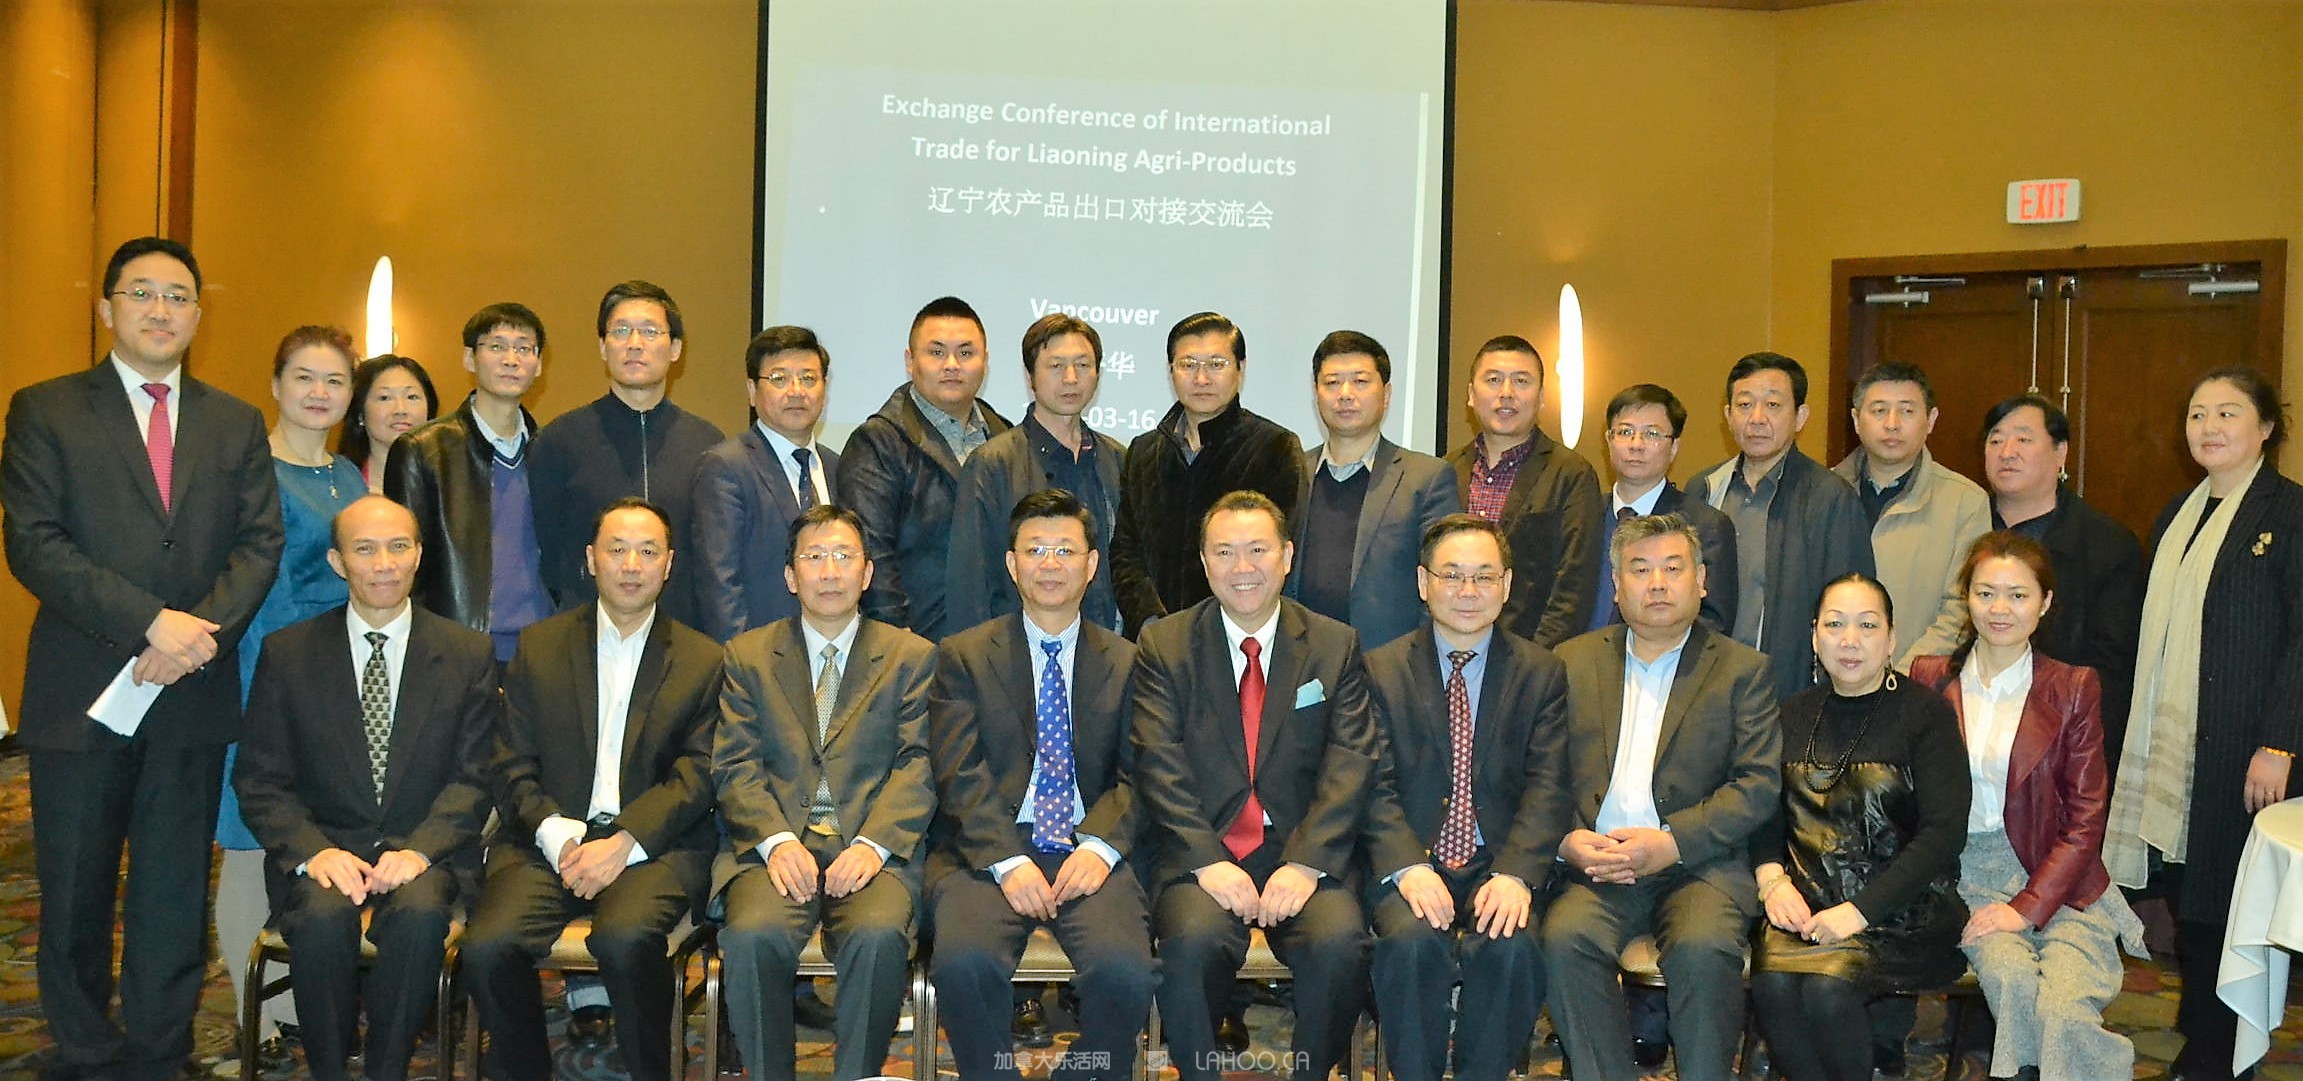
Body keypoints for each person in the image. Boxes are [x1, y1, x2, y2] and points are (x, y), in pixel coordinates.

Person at [1, 236, 284, 1081]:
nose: (161, 310)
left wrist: (195, 636)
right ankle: (85, 1048)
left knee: (172, 886)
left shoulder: (234, 421)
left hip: (192, 688)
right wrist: (150, 623)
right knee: (74, 886)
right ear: (107, 308)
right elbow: (34, 542)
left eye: (178, 296)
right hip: (82, 688)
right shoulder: (46, 409)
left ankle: (162, 1050)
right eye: (142, 293)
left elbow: (258, 544)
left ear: (198, 314)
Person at [233, 495, 499, 1081]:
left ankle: (387, 1068)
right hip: (325, 853)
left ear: (419, 556)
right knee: (322, 921)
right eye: (365, 549)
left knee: (420, 917)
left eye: (399, 547)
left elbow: (474, 777)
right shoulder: (289, 653)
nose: (384, 564)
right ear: (337, 561)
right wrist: (315, 853)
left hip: (425, 854)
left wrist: (421, 850)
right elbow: (260, 779)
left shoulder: (467, 653)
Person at [462, 498, 724, 1081]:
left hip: (653, 846)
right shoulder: (540, 645)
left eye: (648, 551)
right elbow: (510, 761)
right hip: (548, 842)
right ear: (590, 559)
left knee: (626, 939)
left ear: (668, 564)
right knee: (488, 947)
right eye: (616, 549)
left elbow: (698, 772)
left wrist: (624, 841)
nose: (631, 565)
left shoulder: (703, 658)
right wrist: (557, 837)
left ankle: (651, 1071)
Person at [1130, 490, 1377, 1081]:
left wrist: (1307, 861)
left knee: (1340, 945)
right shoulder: (1164, 645)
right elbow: (1157, 763)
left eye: (1258, 550)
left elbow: (1351, 761)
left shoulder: (1334, 643)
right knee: (1191, 944)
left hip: (1301, 850)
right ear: (1204, 562)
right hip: (1203, 851)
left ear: (1287, 556)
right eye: (1224, 552)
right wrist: (1207, 861)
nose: (1242, 567)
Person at [2104, 367, 2303, 1081]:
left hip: (2251, 749)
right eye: (2197, 414)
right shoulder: (2176, 513)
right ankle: (2200, 1038)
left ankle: (2222, 1056)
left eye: (2227, 412)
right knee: (2192, 898)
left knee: (2228, 904)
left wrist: (2279, 742)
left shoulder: (2289, 512)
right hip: (2181, 745)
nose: (2208, 427)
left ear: (2265, 427)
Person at [927, 489, 1157, 1081]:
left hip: (1090, 846)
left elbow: (1142, 772)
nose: (1049, 564)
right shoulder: (963, 656)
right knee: (963, 964)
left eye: (1065, 550)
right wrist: (1007, 860)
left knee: (1126, 972)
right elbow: (958, 771)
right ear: (1012, 564)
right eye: (1035, 550)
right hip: (990, 849)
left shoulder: (1130, 661)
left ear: (1092, 564)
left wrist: (1100, 848)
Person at [1540, 513, 1778, 1081]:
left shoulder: (1743, 670)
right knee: (1565, 939)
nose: (1657, 584)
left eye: (1673, 568)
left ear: (1702, 581)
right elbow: (1539, 773)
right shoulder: (1570, 662)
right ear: (1616, 586)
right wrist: (1567, 840)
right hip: (1598, 865)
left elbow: (1757, 784)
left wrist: (1673, 844)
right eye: (1640, 570)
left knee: (1702, 948)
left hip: (1699, 867)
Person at [1910, 532, 2146, 1080]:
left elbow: (2086, 819)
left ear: (2044, 603)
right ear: (1966, 598)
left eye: (2018, 595)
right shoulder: (1930, 678)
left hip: (2057, 876)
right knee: (2012, 979)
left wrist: (2026, 907)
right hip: (1965, 876)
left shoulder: (2072, 686)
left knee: (2064, 1006)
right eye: (1985, 592)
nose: (2000, 609)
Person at [714, 504, 937, 1081]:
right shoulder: (748, 656)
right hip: (776, 848)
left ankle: (857, 1074)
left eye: (844, 556)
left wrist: (873, 844)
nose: (830, 571)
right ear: (791, 576)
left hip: (872, 849)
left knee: (877, 936)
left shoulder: (912, 656)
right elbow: (735, 764)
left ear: (867, 573)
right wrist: (776, 840)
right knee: (752, 936)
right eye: (814, 557)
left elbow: (919, 763)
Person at [1361, 514, 1567, 1081]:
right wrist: (1407, 865)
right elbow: (1370, 783)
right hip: (1412, 858)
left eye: (1484, 576)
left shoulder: (1542, 673)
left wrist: (1516, 873)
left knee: (1511, 946)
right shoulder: (1379, 670)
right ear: (1423, 582)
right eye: (1452, 575)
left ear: (1506, 584)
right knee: (1409, 944)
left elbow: (1549, 784)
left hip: (1497, 860)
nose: (1468, 591)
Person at [216, 325, 368, 1071]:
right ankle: (262, 1016)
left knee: (318, 840)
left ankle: (309, 1003)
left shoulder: (347, 474)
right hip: (264, 673)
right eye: (304, 377)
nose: (318, 393)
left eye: (334, 381)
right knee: (253, 842)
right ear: (275, 385)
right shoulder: (254, 471)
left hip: (338, 678)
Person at [1749, 573, 1971, 1081]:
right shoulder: (1790, 715)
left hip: (1899, 907)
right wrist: (1772, 880)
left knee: (1827, 989)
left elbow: (1943, 833)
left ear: (1891, 639)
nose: (1849, 640)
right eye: (1835, 625)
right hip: (1805, 899)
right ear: (1814, 636)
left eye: (1867, 626)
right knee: (1772, 984)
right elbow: (1763, 814)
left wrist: (1859, 911)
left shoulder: (1927, 715)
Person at [531, 280, 723, 629]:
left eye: (650, 331)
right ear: (603, 347)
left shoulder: (708, 444)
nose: (635, 343)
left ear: (675, 348)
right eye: (621, 331)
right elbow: (548, 552)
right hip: (585, 632)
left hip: (683, 635)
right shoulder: (560, 440)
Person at [1687, 351, 1876, 703]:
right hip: (1705, 687)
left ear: (1800, 416)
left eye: (1773, 405)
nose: (1757, 418)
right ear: (1728, 415)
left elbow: (1852, 604)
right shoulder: (1705, 489)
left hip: (1790, 690)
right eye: (1745, 405)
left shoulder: (1831, 497)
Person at [1110, 313, 1305, 638]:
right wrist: (1151, 623)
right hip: (1154, 639)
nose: (1201, 378)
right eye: (1188, 365)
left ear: (1241, 368)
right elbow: (1126, 551)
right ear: (1171, 370)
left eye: (1216, 364)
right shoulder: (1144, 450)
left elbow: (1280, 552)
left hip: (1239, 637)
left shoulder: (1274, 447)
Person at [1979, 393, 2145, 768]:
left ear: (2060, 453)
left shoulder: (2108, 545)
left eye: (2023, 439)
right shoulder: (1962, 529)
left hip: (2060, 742)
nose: (2007, 452)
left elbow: (2113, 670)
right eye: (1995, 440)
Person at [837, 295, 1014, 641]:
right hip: (916, 641)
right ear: (910, 360)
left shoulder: (1005, 436)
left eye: (966, 353)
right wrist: (895, 639)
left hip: (998, 641)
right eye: (936, 352)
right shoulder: (879, 442)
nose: (952, 365)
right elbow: (871, 550)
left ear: (986, 361)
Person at [384, 301, 554, 661]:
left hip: (542, 646)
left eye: (524, 348)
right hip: (458, 647)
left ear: (539, 364)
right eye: (497, 346)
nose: (511, 360)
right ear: (469, 358)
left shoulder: (552, 450)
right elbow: (405, 566)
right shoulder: (423, 450)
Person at [947, 313, 1127, 636]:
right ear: (1030, 376)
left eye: (1083, 365)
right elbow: (971, 582)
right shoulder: (992, 464)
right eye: (1056, 366)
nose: (1070, 378)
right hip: (1015, 650)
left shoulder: (1117, 460)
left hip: (1105, 650)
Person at [1285, 330, 1462, 652]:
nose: (1345, 394)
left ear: (1387, 393)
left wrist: (1415, 663)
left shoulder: (1426, 479)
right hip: (1302, 661)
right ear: (1316, 393)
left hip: (1391, 663)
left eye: (1360, 381)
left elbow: (1444, 582)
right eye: (1332, 382)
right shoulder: (1291, 473)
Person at [1446, 335, 1603, 648]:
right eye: (1493, 380)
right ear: (1471, 394)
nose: (1506, 393)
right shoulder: (1445, 470)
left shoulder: (1571, 474)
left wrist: (1535, 662)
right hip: (1447, 653)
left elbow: (1574, 586)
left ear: (1541, 397)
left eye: (1521, 381)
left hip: (1531, 656)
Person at [1832, 362, 1990, 666]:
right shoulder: (1823, 492)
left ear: (1931, 420)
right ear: (1856, 420)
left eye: (1906, 411)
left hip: (1916, 681)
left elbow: (1960, 609)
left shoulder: (1965, 501)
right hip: (1828, 679)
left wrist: (1900, 677)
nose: (1892, 424)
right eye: (1879, 410)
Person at [691, 325, 840, 644]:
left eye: (808, 378)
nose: (796, 391)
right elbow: (719, 584)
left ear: (825, 389)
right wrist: (743, 662)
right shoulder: (726, 466)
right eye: (779, 378)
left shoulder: (837, 466)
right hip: (760, 656)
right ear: (751, 390)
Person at [1593, 384, 1737, 633]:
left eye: (1652, 434)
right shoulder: (1581, 514)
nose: (1636, 444)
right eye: (1625, 432)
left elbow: (1712, 623)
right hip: (1576, 654)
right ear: (1609, 440)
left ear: (1674, 447)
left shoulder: (1706, 525)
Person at [339, 355, 437, 494]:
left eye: (412, 397)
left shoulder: (451, 481)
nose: (400, 410)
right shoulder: (340, 484)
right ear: (360, 412)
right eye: (384, 398)